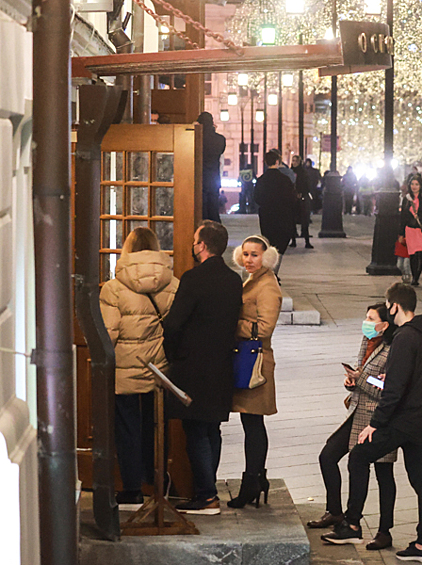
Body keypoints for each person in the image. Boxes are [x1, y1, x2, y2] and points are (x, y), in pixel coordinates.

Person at [323, 284, 422, 564]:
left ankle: (352, 525)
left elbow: (394, 387)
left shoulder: (404, 338)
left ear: (395, 307)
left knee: (359, 455)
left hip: (402, 420)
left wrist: (375, 424)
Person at [162, 221, 243, 514]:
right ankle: (210, 489)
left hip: (193, 366)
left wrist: (173, 355)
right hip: (222, 364)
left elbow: (174, 324)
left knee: (195, 430)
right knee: (212, 429)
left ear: (202, 246)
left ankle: (206, 495)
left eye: (195, 241)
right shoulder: (234, 280)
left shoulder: (193, 279)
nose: (192, 246)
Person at [99, 227, 179, 508]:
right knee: (157, 426)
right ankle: (158, 483)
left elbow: (108, 334)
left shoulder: (113, 288)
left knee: (127, 428)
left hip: (126, 369)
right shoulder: (172, 284)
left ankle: (132, 489)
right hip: (160, 368)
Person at [309, 304, 399, 551]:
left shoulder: (393, 349)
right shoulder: (367, 341)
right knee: (328, 456)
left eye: (371, 318)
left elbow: (387, 390)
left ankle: (383, 530)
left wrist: (360, 378)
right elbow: (362, 375)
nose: (366, 322)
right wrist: (351, 381)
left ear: (385, 324)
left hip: (378, 419)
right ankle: (336, 512)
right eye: (366, 317)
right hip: (356, 413)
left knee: (383, 474)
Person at [228, 235, 283, 508]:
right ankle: (256, 478)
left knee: (253, 423)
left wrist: (231, 325)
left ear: (267, 257)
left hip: (257, 361)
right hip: (248, 358)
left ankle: (252, 480)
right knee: (251, 423)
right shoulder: (253, 280)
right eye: (246, 254)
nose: (249, 259)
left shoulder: (267, 285)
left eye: (255, 255)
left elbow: (264, 328)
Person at [254, 150, 299, 273]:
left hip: (267, 215)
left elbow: (256, 198)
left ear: (265, 162)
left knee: (269, 242)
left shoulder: (262, 180)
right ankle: (274, 271)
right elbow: (292, 198)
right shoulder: (285, 180)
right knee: (280, 244)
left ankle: (269, 271)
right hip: (283, 215)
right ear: (277, 161)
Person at [197, 112, 226, 222]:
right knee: (213, 205)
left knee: (202, 208)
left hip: (200, 177)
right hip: (214, 177)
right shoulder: (220, 139)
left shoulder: (197, 139)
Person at [289, 155, 314, 249]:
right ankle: (293, 240)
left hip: (302, 199)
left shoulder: (303, 173)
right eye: (293, 160)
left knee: (304, 221)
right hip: (293, 199)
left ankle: (306, 240)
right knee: (292, 221)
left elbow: (307, 185)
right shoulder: (290, 172)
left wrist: (302, 193)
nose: (294, 162)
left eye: (296, 161)